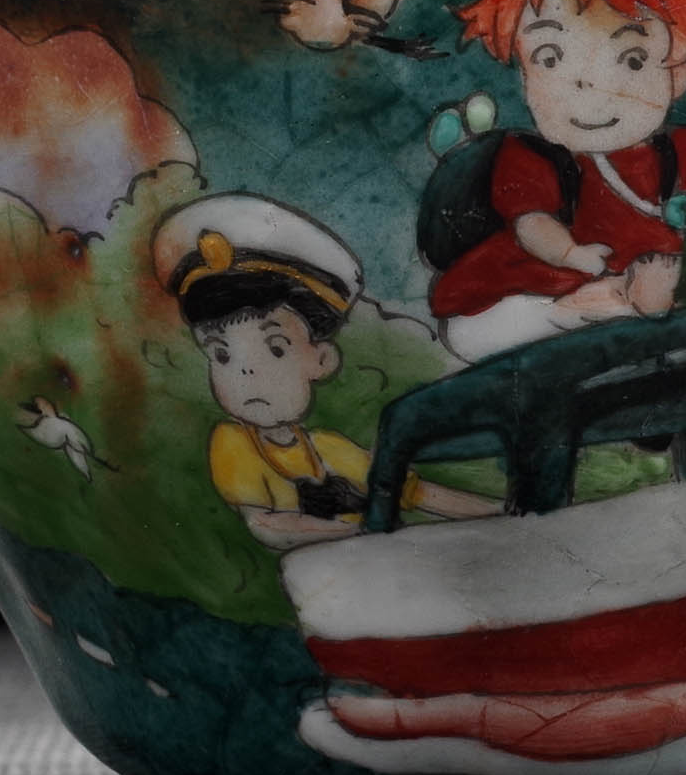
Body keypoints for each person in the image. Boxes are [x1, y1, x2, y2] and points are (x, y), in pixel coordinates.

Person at [432, 0, 686, 362]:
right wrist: (570, 255)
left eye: (632, 59)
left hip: (657, 290)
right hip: (541, 286)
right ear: (524, 69)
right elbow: (531, 223)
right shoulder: (534, 158)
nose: (588, 86)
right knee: (491, 328)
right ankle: (593, 311)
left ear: (678, 70)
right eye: (551, 57)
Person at [152, 193, 497, 551]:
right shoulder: (233, 444)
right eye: (222, 354)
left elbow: (415, 491)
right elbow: (266, 525)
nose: (247, 370)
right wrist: (364, 528)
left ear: (322, 360)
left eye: (276, 348)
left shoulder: (330, 450)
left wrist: (502, 512)